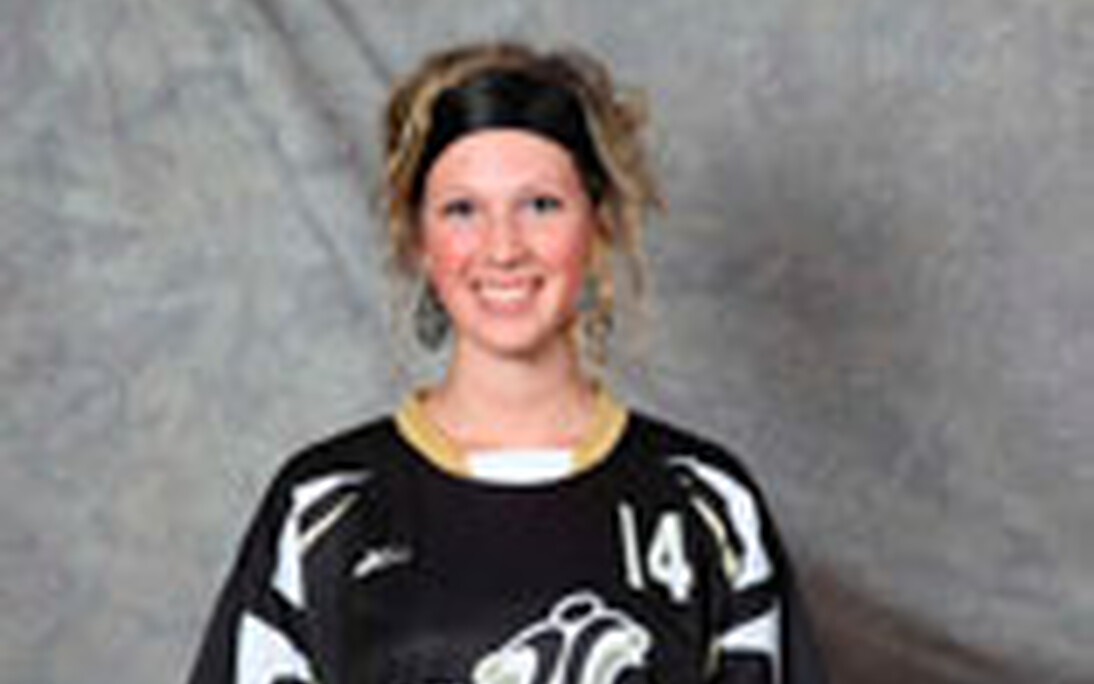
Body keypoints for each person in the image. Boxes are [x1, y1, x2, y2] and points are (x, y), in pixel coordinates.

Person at [188, 41, 827, 684]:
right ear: (418, 239)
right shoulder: (324, 507)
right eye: (462, 209)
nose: (503, 249)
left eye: (540, 205)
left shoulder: (702, 501)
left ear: (600, 226)